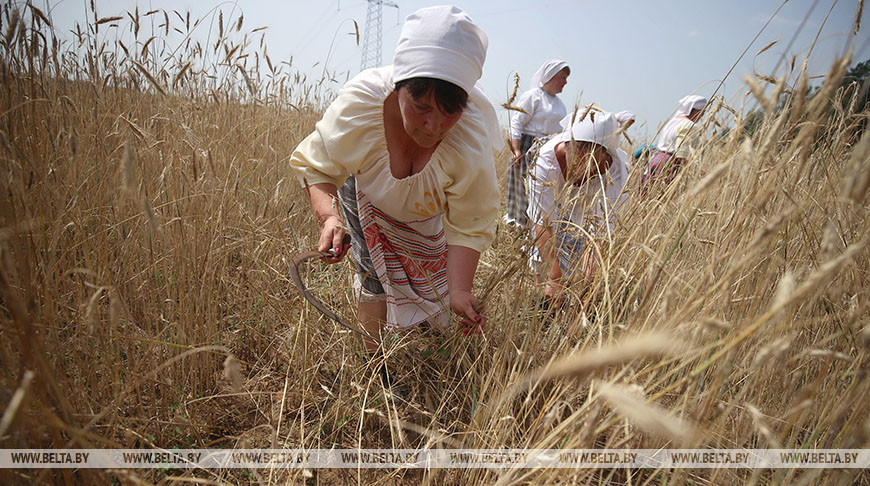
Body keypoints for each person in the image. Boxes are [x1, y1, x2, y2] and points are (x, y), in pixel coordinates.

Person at [289, 6, 502, 356]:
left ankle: (424, 333)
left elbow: (469, 223)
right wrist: (329, 218)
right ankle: (373, 362)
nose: (434, 126)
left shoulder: (469, 141)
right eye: (420, 107)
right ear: (399, 86)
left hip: (424, 212)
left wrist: (460, 290)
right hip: (367, 194)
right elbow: (320, 167)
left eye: (449, 112)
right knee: (374, 276)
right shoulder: (360, 105)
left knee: (431, 279)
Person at [527, 112, 629, 302]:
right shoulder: (544, 164)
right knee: (546, 270)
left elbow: (598, 235)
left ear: (604, 157)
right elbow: (542, 223)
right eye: (573, 165)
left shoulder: (616, 173)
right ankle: (543, 304)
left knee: (578, 255)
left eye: (588, 167)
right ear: (564, 149)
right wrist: (555, 278)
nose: (579, 176)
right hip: (553, 200)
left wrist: (585, 285)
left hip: (587, 209)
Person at [505, 59, 570, 229]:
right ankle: (517, 225)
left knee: (539, 189)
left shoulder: (560, 105)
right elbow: (517, 121)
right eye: (562, 77)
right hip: (527, 145)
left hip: (547, 148)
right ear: (551, 76)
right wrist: (516, 149)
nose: (565, 82)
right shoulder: (533, 96)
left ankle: (535, 226)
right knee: (520, 186)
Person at [640, 95, 707, 193]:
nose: (701, 117)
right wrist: (695, 173)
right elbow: (682, 155)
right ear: (697, 111)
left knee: (647, 196)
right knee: (662, 199)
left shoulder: (673, 122)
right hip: (670, 164)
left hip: (656, 160)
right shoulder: (689, 125)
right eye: (702, 113)